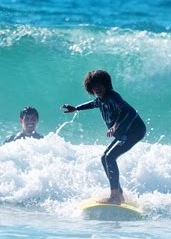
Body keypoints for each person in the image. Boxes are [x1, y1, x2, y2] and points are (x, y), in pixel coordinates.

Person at [61, 70, 146, 204]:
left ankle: (114, 197)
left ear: (106, 84)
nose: (97, 89)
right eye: (94, 86)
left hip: (134, 130)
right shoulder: (100, 100)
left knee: (110, 157)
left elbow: (128, 111)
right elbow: (91, 104)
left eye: (99, 85)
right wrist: (76, 108)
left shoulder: (113, 96)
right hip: (124, 132)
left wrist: (115, 126)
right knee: (104, 157)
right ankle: (119, 194)